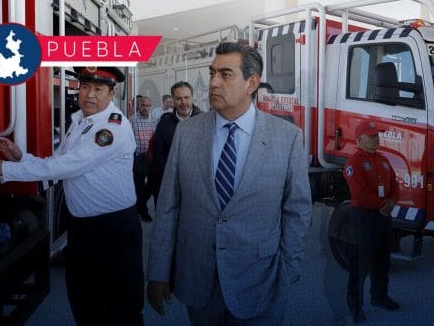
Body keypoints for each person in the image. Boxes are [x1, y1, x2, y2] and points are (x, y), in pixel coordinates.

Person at [146, 42, 312, 325]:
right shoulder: (186, 133)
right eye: (212, 73)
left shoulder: (288, 138)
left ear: (252, 83)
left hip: (261, 282)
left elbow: (297, 210)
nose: (212, 83)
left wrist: (288, 268)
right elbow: (168, 207)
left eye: (225, 74)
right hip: (198, 280)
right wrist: (159, 271)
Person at [0, 66, 144, 326]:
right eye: (85, 87)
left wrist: (6, 169)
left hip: (113, 231)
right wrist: (22, 157)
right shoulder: (80, 122)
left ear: (112, 94)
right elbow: (58, 162)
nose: (89, 94)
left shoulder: (112, 129)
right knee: (85, 303)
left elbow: (68, 166)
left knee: (120, 309)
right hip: (83, 228)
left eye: (98, 89)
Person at [343, 120, 400, 324]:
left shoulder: (383, 160)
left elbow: (395, 184)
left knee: (382, 261)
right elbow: (359, 193)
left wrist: (392, 201)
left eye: (377, 135)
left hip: (383, 217)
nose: (377, 138)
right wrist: (383, 204)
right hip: (364, 218)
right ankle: (355, 308)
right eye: (372, 136)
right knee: (360, 265)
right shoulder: (354, 162)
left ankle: (380, 297)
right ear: (359, 140)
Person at [148, 81, 202, 211]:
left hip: (197, 184)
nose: (183, 102)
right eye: (178, 98)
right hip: (169, 182)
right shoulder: (164, 123)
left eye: (186, 97)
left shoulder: (204, 121)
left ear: (192, 98)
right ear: (173, 100)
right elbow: (158, 154)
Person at [131, 94, 158, 222]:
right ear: (139, 105)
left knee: (153, 183)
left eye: (148, 106)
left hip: (151, 156)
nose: (145, 108)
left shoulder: (154, 119)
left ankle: (139, 204)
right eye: (143, 105)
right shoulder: (132, 120)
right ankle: (143, 211)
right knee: (139, 186)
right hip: (138, 157)